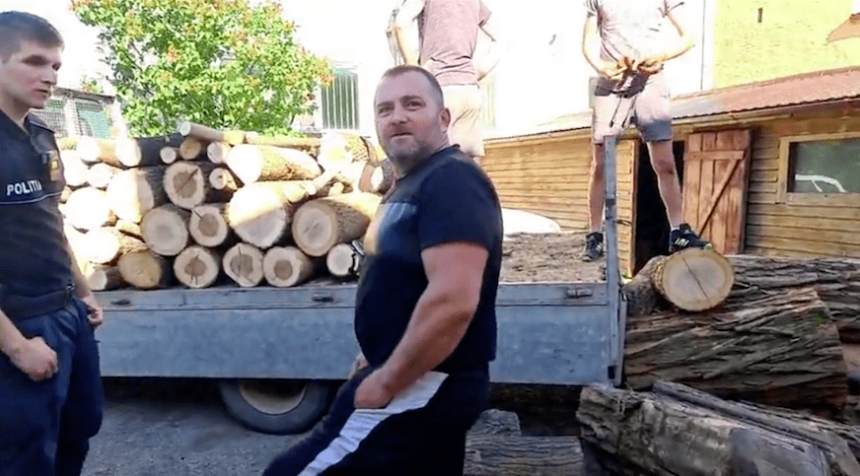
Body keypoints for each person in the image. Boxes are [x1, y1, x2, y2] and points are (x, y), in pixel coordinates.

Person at [263, 65, 503, 476]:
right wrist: (373, 354)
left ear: (444, 118)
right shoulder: (413, 183)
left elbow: (452, 302)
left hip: (424, 383)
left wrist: (389, 379)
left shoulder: (452, 180)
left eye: (413, 104)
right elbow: (401, 281)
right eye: (385, 109)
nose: (397, 117)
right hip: (408, 374)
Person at [0, 11, 104, 476]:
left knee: (78, 429)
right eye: (35, 62)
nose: (50, 76)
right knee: (25, 454)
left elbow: (51, 223)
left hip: (67, 316)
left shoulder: (41, 135)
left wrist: (82, 292)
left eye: (56, 66)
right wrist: (16, 346)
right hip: (19, 323)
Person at [580, 0, 710, 261]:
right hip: (612, 86)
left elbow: (688, 37)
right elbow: (588, 42)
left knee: (665, 163)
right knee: (600, 164)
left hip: (650, 84)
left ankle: (678, 230)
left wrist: (661, 57)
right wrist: (601, 67)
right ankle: (594, 234)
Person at [389, 0, 503, 165]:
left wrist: (413, 67)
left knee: (430, 164)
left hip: (439, 88)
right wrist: (480, 71)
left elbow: (400, 23)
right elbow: (501, 39)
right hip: (469, 91)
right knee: (468, 167)